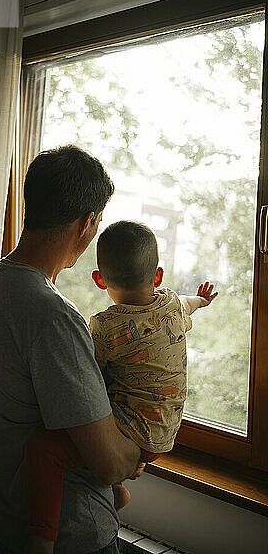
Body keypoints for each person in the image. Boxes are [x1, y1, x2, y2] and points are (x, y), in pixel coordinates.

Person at [0, 146, 143, 554]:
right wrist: (140, 450)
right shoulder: (52, 315)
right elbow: (109, 463)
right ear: (86, 224)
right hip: (70, 538)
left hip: (4, 524)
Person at [25, 220, 218, 553]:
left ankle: (40, 538)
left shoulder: (103, 326)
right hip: (165, 434)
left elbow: (86, 382)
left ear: (99, 280)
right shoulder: (171, 304)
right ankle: (117, 489)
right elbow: (188, 304)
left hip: (131, 434)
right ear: (158, 276)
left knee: (44, 448)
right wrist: (201, 301)